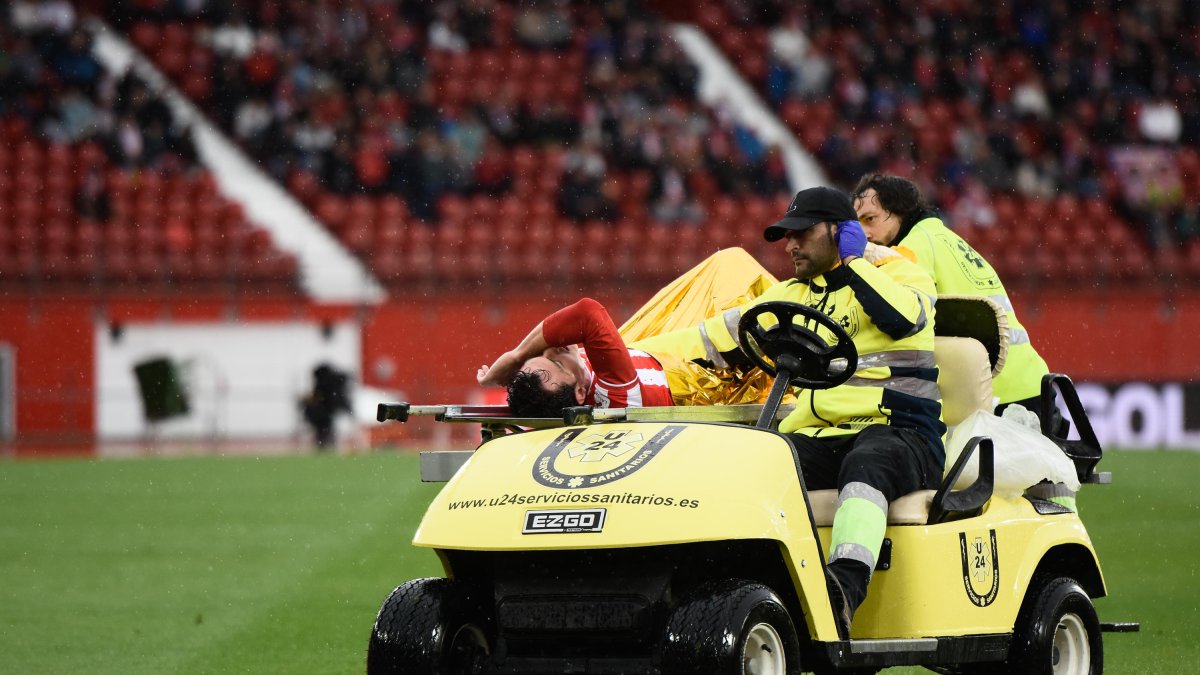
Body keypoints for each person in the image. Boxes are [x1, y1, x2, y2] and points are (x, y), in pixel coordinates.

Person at [645, 186, 944, 635]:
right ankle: (721, 592)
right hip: (822, 437)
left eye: (802, 234)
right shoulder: (792, 294)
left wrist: (857, 262)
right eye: (788, 236)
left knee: (867, 464)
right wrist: (614, 354)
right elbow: (706, 340)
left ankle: (841, 591)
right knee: (747, 465)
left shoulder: (904, 274)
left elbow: (903, 319)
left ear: (842, 233)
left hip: (901, 433)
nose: (791, 245)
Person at [850, 174, 1075, 511]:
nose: (864, 232)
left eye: (870, 219)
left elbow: (890, 296)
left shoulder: (914, 247)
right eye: (856, 223)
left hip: (997, 395)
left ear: (901, 213)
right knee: (1048, 503)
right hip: (1031, 385)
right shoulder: (946, 239)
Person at [477, 248, 780, 416]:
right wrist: (517, 355)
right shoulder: (614, 392)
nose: (552, 350)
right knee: (738, 273)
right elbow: (587, 313)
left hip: (643, 353)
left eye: (538, 356)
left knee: (726, 262)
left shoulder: (576, 391)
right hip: (679, 371)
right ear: (582, 392)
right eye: (556, 364)